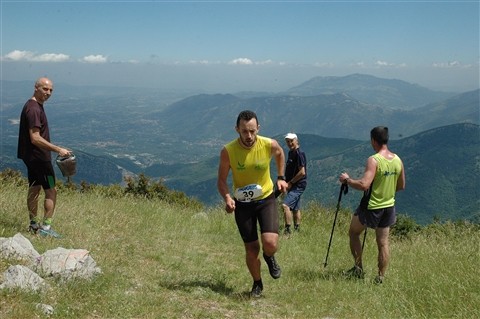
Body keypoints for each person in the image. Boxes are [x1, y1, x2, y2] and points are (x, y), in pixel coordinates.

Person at [217, 110, 288, 297]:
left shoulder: (268, 144)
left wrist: (281, 177)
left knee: (270, 243)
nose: (249, 136)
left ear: (258, 128)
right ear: (237, 130)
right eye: (244, 131)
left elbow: (280, 153)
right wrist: (227, 198)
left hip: (266, 199)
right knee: (252, 249)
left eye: (252, 131)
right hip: (243, 204)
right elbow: (221, 181)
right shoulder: (228, 151)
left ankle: (269, 256)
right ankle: (257, 284)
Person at [339, 126, 405, 283]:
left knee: (354, 233)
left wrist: (347, 180)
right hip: (389, 206)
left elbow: (363, 185)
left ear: (373, 140)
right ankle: (380, 277)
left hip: (372, 206)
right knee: (383, 243)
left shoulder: (374, 160)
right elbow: (401, 185)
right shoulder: (397, 160)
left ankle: (358, 269)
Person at [17, 77, 71, 238]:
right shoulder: (34, 109)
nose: (48, 93)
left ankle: (34, 225)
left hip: (30, 156)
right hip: (40, 158)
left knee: (34, 188)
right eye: (45, 89)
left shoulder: (32, 105)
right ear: (36, 88)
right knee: (51, 190)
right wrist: (57, 149)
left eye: (51, 90)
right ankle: (46, 229)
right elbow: (35, 137)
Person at [281, 133, 307, 236]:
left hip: (298, 184)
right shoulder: (291, 152)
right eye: (287, 141)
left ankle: (287, 230)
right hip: (294, 184)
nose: (290, 143)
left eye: (292, 141)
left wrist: (291, 183)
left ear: (297, 140)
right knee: (296, 208)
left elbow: (302, 172)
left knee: (285, 205)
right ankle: (297, 229)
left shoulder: (299, 154)